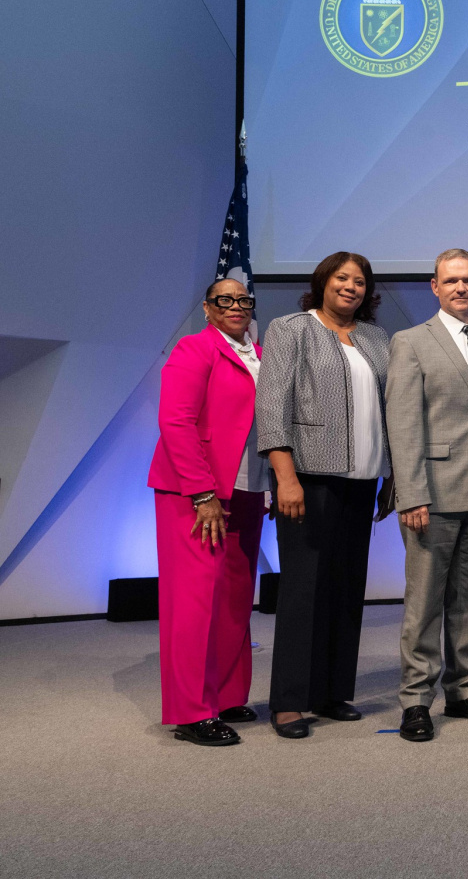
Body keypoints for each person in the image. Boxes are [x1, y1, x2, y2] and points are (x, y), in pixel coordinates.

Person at [256, 252, 391, 739]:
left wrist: (391, 476)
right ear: (323, 281)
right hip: (308, 477)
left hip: (363, 479)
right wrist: (284, 475)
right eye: (342, 278)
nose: (351, 287)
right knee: (302, 590)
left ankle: (332, 691)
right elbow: (272, 405)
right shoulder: (291, 327)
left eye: (359, 281)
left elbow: (389, 410)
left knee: (346, 587)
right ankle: (289, 701)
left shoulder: (377, 338)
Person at [386, 249, 468, 743]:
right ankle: (416, 701)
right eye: (450, 281)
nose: (461, 288)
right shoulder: (410, 342)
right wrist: (410, 493)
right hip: (430, 496)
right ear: (434, 287)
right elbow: (402, 421)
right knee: (424, 603)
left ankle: (464, 691)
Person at [147, 278, 268, 746]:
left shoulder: (258, 353)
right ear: (207, 308)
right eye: (225, 300)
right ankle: (192, 712)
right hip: (195, 494)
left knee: (236, 596)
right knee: (193, 602)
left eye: (243, 300)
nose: (235, 306)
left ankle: (227, 694)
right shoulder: (193, 350)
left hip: (248, 489)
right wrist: (201, 493)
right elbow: (175, 421)